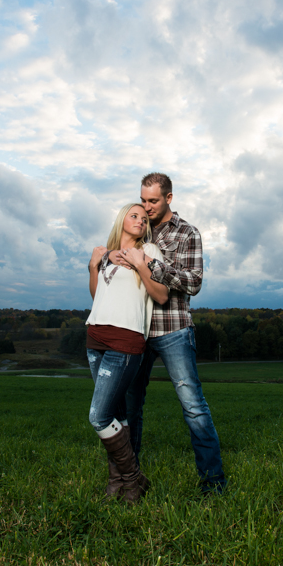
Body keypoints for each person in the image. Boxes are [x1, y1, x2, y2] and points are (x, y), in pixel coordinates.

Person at [106, 172, 227, 494]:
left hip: (173, 329)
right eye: (142, 200)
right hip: (137, 331)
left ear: (169, 198)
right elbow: (112, 257)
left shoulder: (188, 233)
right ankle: (129, 480)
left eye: (153, 201)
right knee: (130, 406)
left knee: (193, 406)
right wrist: (110, 256)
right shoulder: (137, 228)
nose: (146, 207)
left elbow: (193, 282)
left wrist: (148, 263)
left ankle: (213, 483)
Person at [86, 203, 167, 503]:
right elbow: (98, 296)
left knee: (99, 416)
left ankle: (134, 477)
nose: (139, 220)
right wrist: (93, 266)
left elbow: (161, 295)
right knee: (118, 414)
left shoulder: (151, 252)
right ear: (121, 219)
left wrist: (141, 264)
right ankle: (119, 483)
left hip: (127, 339)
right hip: (95, 337)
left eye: (144, 219)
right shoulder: (106, 253)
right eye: (134, 215)